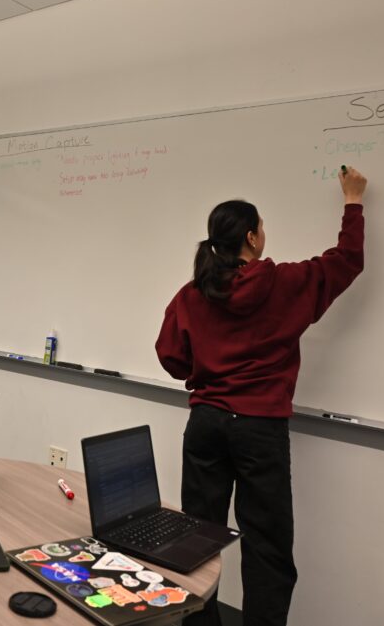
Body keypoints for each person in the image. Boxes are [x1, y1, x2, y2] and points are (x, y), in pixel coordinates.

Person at [155, 166, 368, 626]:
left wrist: (207, 373)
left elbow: (170, 356)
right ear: (252, 238)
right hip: (260, 430)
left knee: (197, 540)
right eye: (262, 227)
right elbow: (348, 259)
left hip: (207, 425)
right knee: (267, 548)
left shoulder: (193, 295)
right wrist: (353, 200)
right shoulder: (286, 284)